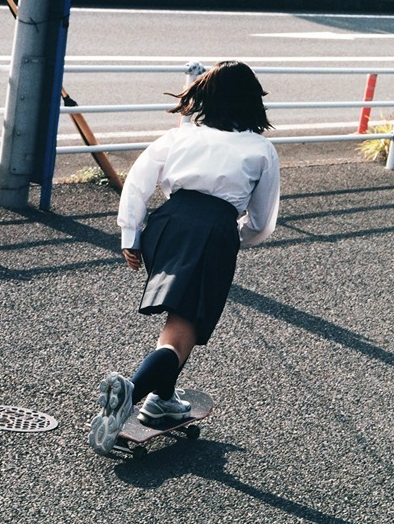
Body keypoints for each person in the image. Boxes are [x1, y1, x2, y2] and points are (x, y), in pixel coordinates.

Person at [89, 60, 280, 456]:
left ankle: (162, 398)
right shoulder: (261, 150)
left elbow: (137, 183)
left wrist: (131, 235)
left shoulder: (181, 135)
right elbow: (262, 222)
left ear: (203, 96)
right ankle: (131, 393)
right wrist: (232, 239)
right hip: (212, 233)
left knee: (178, 318)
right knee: (183, 328)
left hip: (165, 226)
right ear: (253, 101)